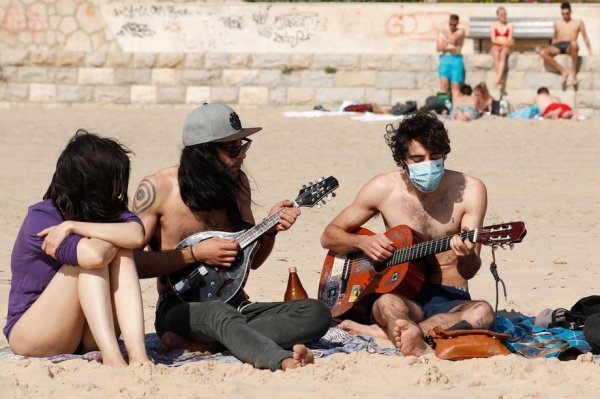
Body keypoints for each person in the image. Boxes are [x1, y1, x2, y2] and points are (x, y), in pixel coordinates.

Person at [132, 103, 331, 371]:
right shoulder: (158, 188)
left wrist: (269, 231)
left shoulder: (238, 185)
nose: (242, 157)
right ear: (204, 154)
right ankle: (279, 359)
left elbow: (254, 261)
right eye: (233, 150)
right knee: (218, 314)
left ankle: (212, 343)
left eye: (243, 146)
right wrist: (194, 254)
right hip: (179, 307)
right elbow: (129, 262)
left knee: (316, 313)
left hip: (236, 304)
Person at [320, 111, 493, 357]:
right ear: (402, 159)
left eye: (435, 157)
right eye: (417, 158)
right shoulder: (383, 188)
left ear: (445, 153)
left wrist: (465, 255)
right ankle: (407, 330)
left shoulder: (471, 190)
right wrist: (363, 241)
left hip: (449, 294)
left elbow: (470, 270)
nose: (428, 165)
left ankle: (392, 333)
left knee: (482, 313)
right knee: (387, 304)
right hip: (399, 292)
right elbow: (329, 235)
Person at [4, 131, 150, 366]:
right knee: (90, 260)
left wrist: (73, 226)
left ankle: (138, 355)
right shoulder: (42, 217)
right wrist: (109, 235)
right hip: (34, 334)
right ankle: (113, 357)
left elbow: (136, 235)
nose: (119, 191)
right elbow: (93, 256)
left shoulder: (106, 210)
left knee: (122, 253)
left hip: (87, 334)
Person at [538, 2, 592, 87]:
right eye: (563, 14)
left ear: (571, 11)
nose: (565, 15)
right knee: (542, 52)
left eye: (567, 13)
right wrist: (550, 47)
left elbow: (585, 37)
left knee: (574, 44)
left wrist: (590, 52)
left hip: (569, 45)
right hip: (558, 45)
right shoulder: (557, 22)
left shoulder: (578, 22)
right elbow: (554, 37)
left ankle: (574, 74)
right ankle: (563, 71)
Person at [436, 14, 465, 101]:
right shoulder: (442, 32)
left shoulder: (461, 31)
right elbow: (438, 48)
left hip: (456, 59)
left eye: (454, 25)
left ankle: (455, 107)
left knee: (455, 86)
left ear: (457, 23)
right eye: (450, 24)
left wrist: (446, 39)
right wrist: (449, 46)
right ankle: (444, 107)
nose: (452, 26)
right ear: (449, 22)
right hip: (445, 58)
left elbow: (453, 39)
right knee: (444, 84)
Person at [490, 7, 514, 88]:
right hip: (496, 45)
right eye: (502, 14)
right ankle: (500, 78)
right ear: (497, 16)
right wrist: (501, 43)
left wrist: (505, 44)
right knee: (496, 54)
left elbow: (510, 40)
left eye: (505, 14)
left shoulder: (509, 25)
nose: (504, 16)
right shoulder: (494, 26)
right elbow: (493, 40)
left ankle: (498, 78)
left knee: (503, 54)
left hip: (506, 46)